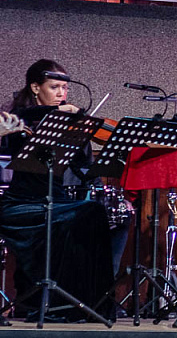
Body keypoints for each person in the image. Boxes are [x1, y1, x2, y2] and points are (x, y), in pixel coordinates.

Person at [0, 59, 115, 322]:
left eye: (65, 88)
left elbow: (84, 168)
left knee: (93, 212)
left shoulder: (66, 121)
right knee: (67, 219)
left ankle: (82, 303)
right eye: (55, 87)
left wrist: (88, 144)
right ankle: (38, 304)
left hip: (57, 199)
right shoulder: (17, 120)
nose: (62, 94)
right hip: (22, 204)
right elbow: (23, 119)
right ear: (35, 87)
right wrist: (54, 117)